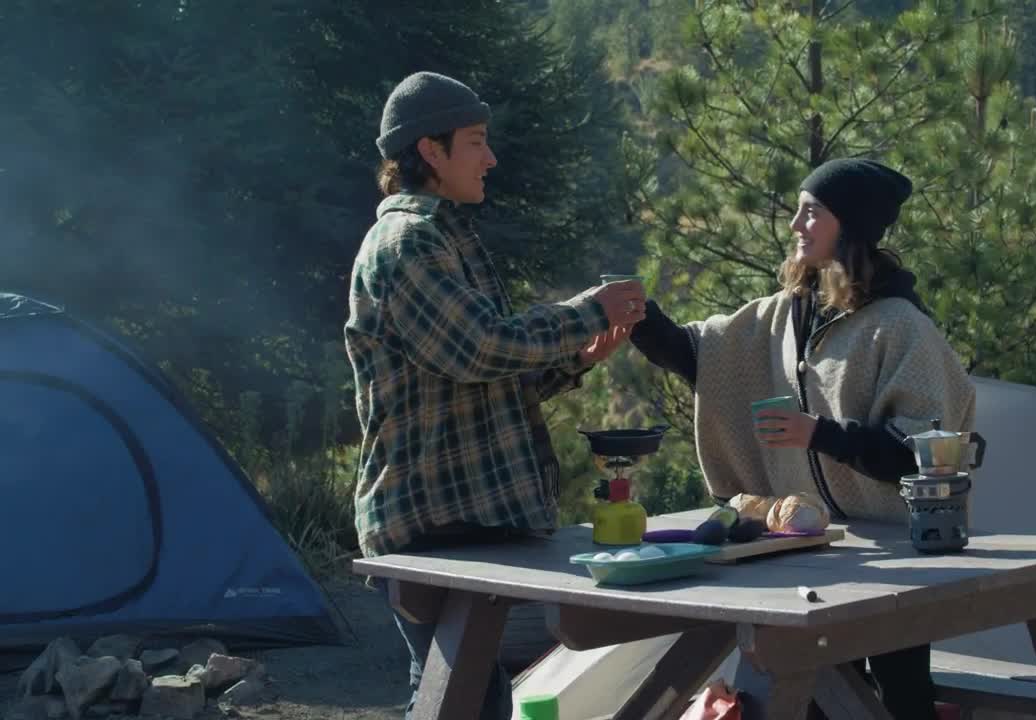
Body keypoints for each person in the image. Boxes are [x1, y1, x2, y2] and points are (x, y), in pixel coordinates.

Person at [343, 70, 646, 720]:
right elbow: (478, 346)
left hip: (458, 520)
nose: (492, 158)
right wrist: (586, 314)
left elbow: (477, 378)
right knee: (460, 700)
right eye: (476, 142)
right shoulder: (407, 243)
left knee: (472, 696)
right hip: (432, 523)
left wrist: (575, 361)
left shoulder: (447, 237)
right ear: (431, 150)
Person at [629, 158, 975, 720]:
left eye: (811, 212)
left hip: (895, 560)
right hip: (807, 553)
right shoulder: (784, 316)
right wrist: (638, 318)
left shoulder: (902, 328)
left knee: (901, 697)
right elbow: (703, 358)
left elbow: (922, 456)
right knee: (812, 695)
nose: (795, 224)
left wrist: (817, 433)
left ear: (851, 225)